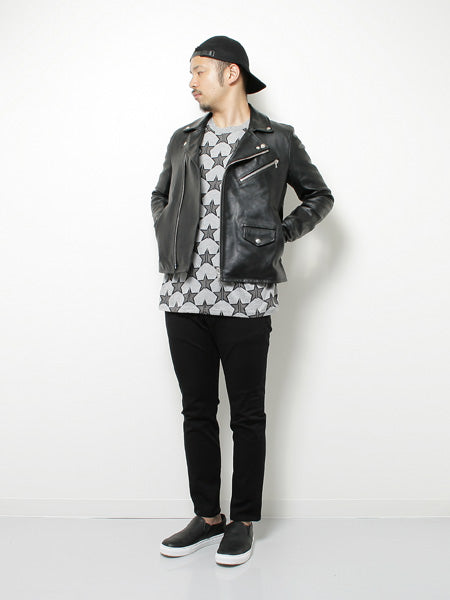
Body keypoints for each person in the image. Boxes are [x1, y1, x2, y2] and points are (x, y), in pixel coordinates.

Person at [151, 35, 334, 566]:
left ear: (230, 73)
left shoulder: (277, 140)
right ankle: (207, 517)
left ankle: (243, 520)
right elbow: (160, 195)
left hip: (247, 295)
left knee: (248, 415)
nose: (191, 81)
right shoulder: (184, 139)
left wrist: (280, 234)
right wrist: (167, 229)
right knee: (196, 411)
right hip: (183, 293)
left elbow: (319, 196)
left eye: (198, 70)